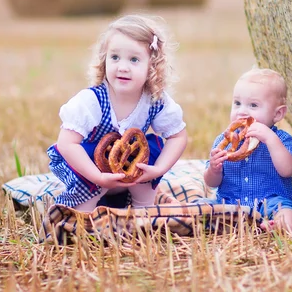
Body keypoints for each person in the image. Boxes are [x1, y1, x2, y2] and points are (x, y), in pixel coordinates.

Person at [48, 14, 188, 212]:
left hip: (132, 168)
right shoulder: (92, 101)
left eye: (134, 59)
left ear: (152, 66)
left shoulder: (154, 101)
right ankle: (86, 215)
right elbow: (67, 144)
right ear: (104, 60)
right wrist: (98, 178)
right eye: (115, 57)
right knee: (83, 205)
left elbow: (178, 137)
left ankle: (142, 211)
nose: (123, 67)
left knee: (148, 152)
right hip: (92, 170)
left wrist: (158, 169)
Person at [203, 68, 292, 231]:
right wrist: (214, 169)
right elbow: (211, 183)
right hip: (230, 202)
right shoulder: (224, 140)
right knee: (201, 206)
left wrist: (270, 139)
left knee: (287, 212)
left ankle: (276, 226)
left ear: (277, 114)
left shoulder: (281, 140)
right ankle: (212, 223)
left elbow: (288, 170)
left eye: (253, 105)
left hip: (269, 201)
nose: (242, 111)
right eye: (237, 103)